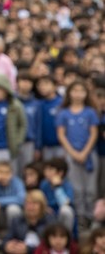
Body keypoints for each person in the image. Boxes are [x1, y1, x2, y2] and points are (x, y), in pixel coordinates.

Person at [55, 81, 99, 227]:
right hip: (71, 154)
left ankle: (92, 216)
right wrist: (73, 153)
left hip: (89, 154)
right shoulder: (63, 113)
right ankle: (80, 217)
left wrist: (85, 152)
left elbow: (93, 133)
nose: (78, 94)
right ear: (69, 93)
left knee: (91, 188)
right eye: (75, 90)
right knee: (76, 188)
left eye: (81, 91)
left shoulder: (90, 112)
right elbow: (61, 135)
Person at [4, 190, 56, 254]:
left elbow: (52, 245)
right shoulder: (17, 220)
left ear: (42, 206)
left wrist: (29, 249)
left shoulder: (50, 221)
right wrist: (7, 246)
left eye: (34, 204)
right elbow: (7, 239)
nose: (30, 207)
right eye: (28, 203)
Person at [16, 72, 42, 175]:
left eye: (28, 81)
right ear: (17, 82)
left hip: (29, 142)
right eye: (22, 81)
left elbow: (38, 126)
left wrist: (37, 147)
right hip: (14, 142)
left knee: (28, 172)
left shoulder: (36, 104)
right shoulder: (11, 101)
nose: (25, 84)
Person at [41, 158, 76, 231]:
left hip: (60, 214)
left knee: (66, 210)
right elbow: (40, 199)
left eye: (50, 170)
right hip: (48, 214)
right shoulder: (44, 184)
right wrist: (44, 207)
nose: (46, 172)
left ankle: (67, 236)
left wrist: (57, 187)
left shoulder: (67, 185)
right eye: (46, 169)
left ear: (60, 172)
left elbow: (65, 204)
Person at [38, 76, 64, 160]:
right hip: (45, 147)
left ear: (55, 86)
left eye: (46, 83)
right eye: (40, 85)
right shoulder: (39, 104)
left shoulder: (62, 103)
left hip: (61, 146)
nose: (43, 87)